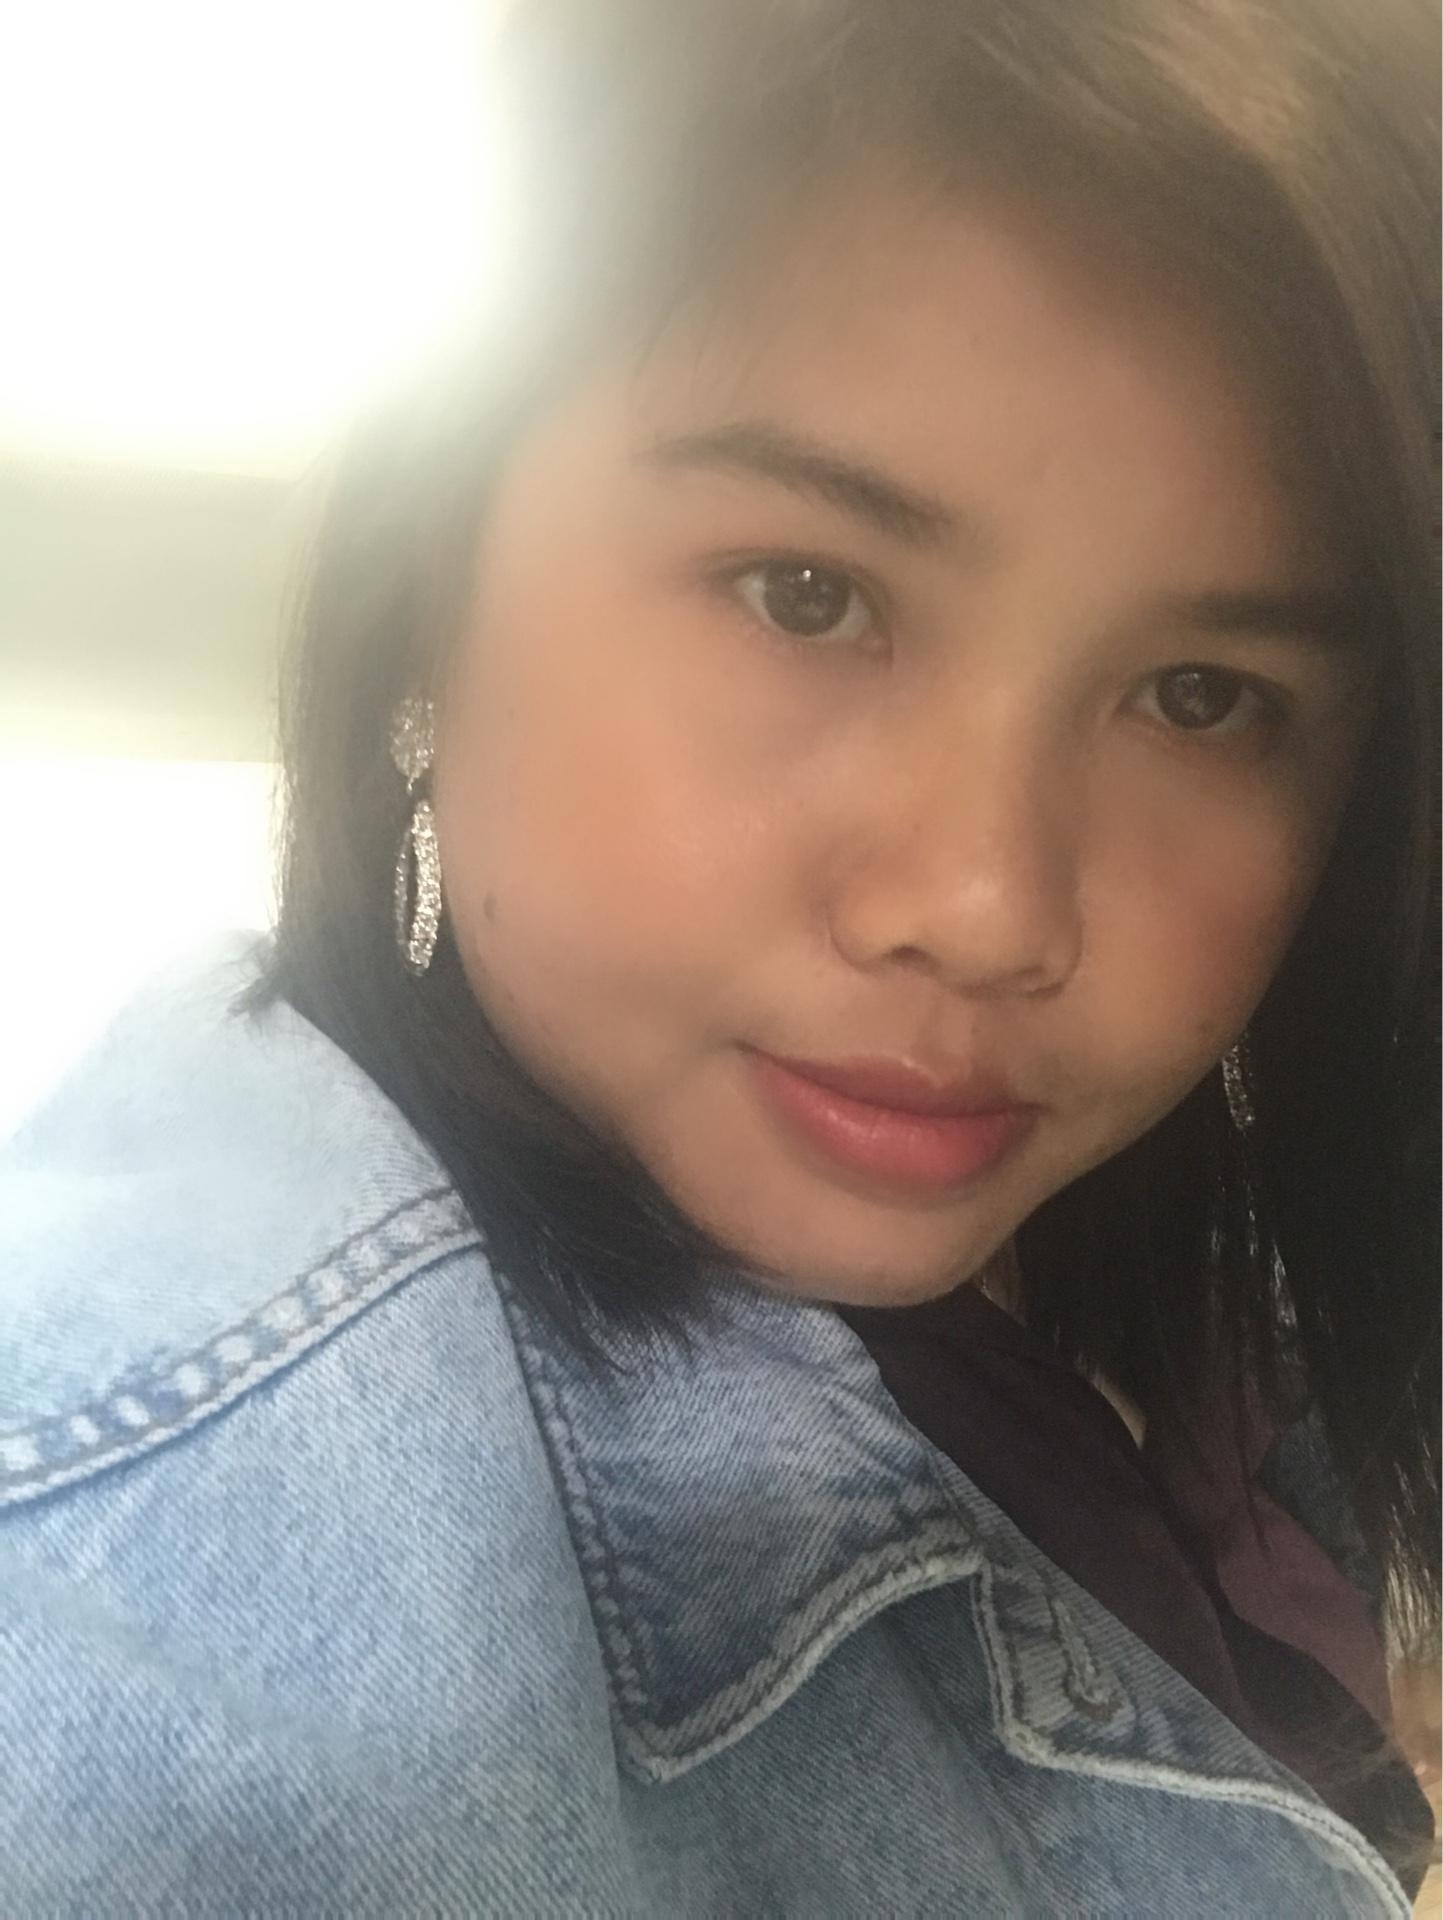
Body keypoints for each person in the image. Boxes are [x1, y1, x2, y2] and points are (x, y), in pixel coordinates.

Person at [1, 0, 1437, 1909]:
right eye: (808, 594)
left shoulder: (1181, 1262)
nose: (987, 905)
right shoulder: (154, 1612)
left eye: (1200, 695)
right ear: (430, 573)